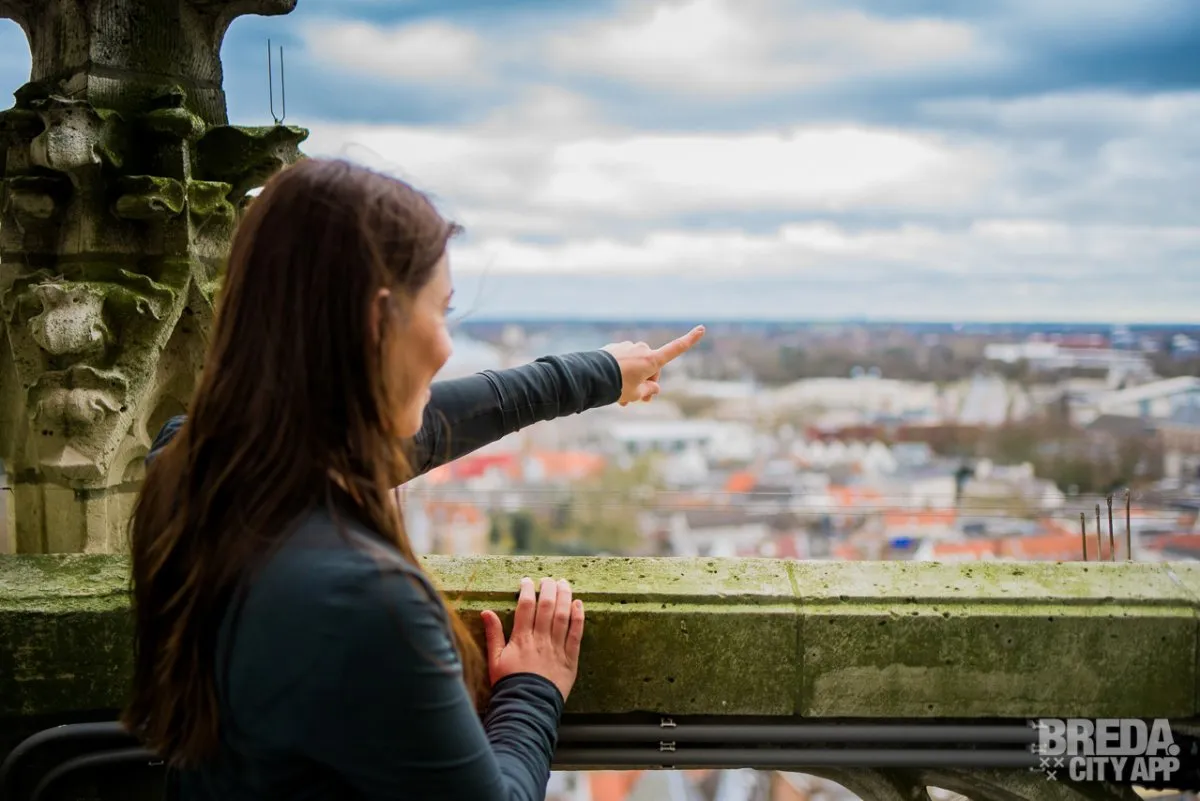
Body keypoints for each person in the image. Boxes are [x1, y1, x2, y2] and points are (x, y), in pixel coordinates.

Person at [124, 157, 705, 801]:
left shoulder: (186, 466)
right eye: (442, 312)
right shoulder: (360, 600)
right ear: (379, 322)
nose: (447, 345)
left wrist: (596, 373)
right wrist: (532, 691)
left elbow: (411, 434)